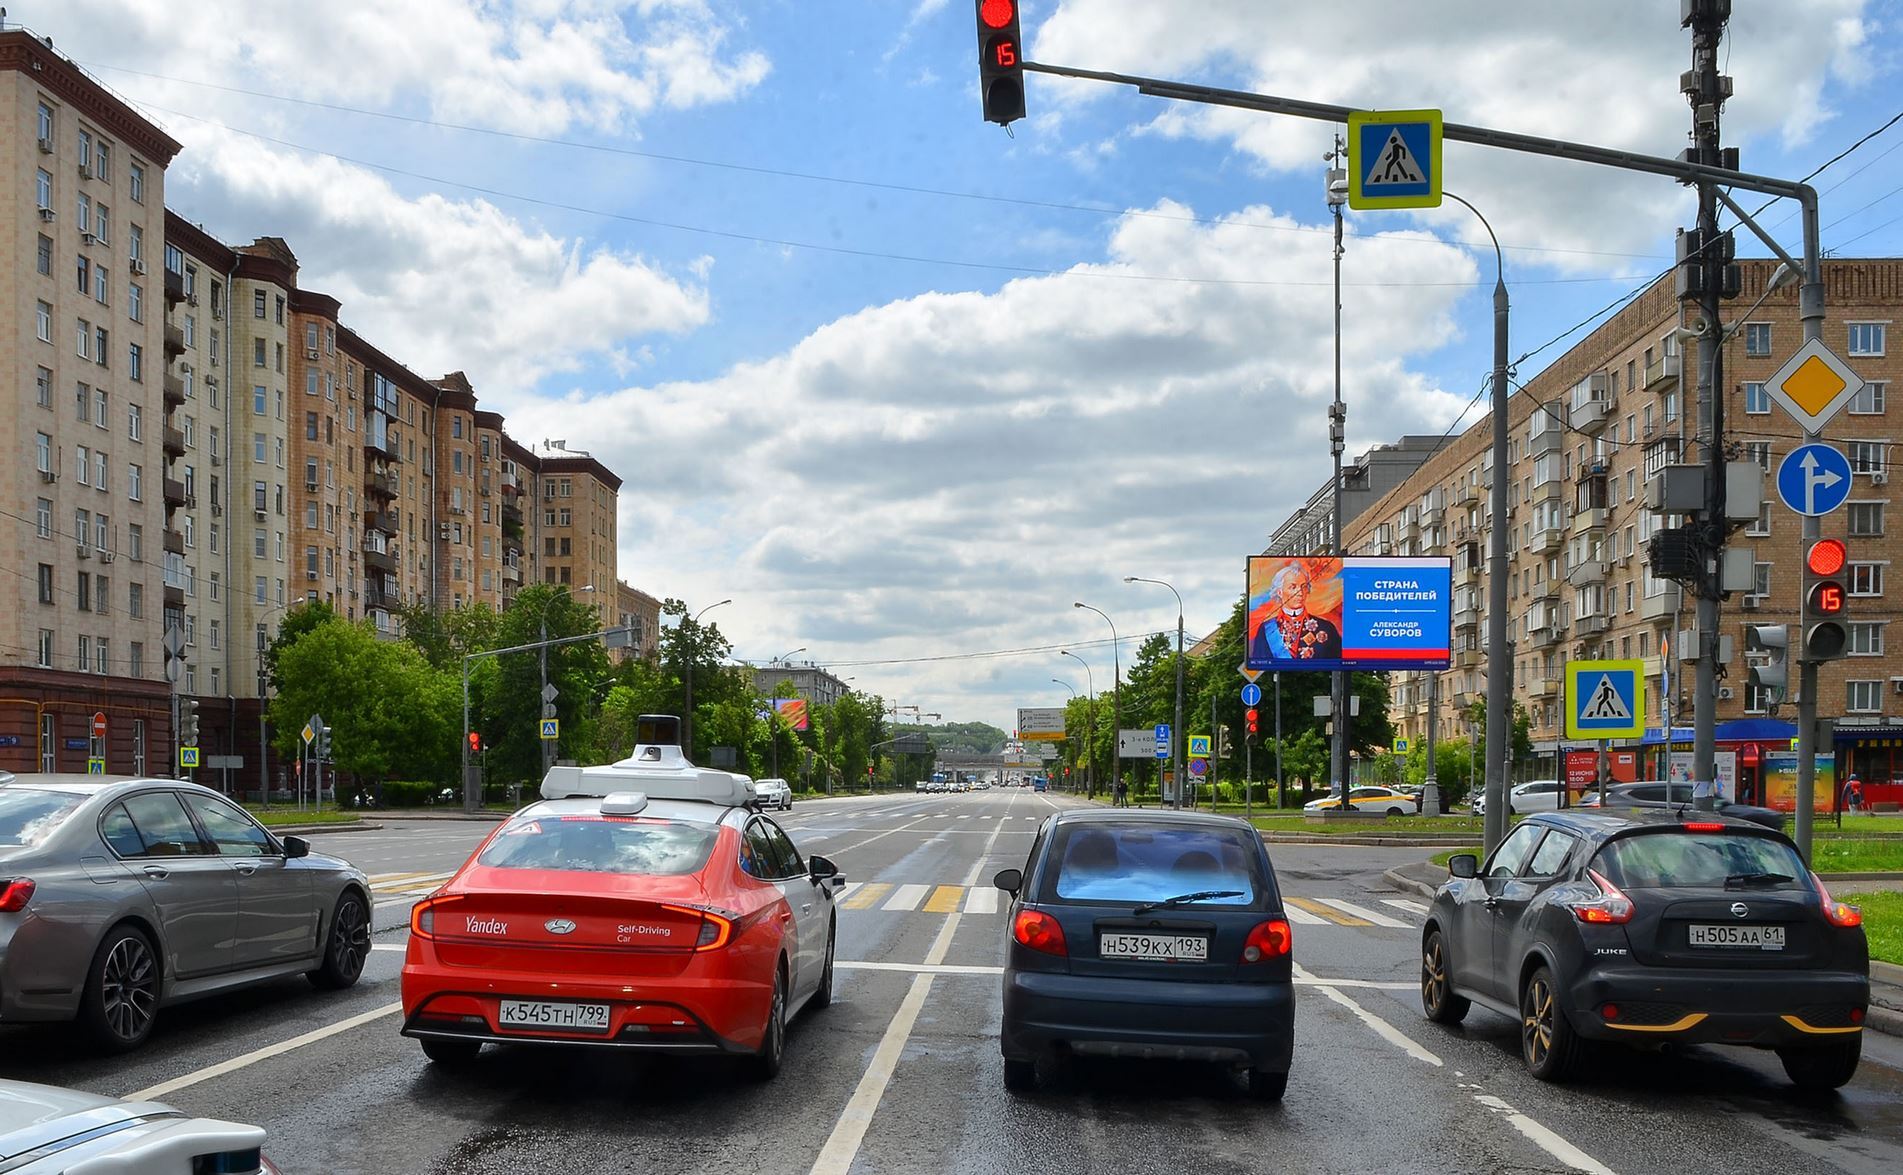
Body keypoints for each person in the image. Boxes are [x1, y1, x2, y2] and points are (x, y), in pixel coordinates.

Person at [1248, 563, 1343, 663]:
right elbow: (1260, 663)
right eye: (1293, 587)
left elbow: (1338, 662)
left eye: (1304, 586)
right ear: (1280, 592)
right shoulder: (1266, 629)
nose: (1300, 593)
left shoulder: (1326, 627)